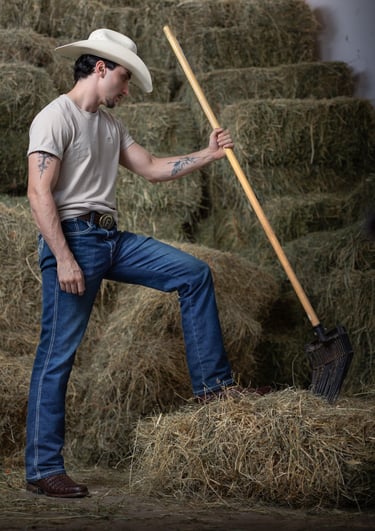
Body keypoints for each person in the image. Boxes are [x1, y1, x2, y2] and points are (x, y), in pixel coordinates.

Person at [25, 28, 236, 499]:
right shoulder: (54, 118)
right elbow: (38, 194)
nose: (126, 90)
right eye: (124, 78)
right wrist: (62, 258)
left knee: (194, 273)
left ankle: (213, 389)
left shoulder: (110, 126)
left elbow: (154, 168)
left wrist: (209, 153)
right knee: (57, 355)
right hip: (73, 240)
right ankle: (42, 469)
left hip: (111, 238)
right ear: (100, 67)